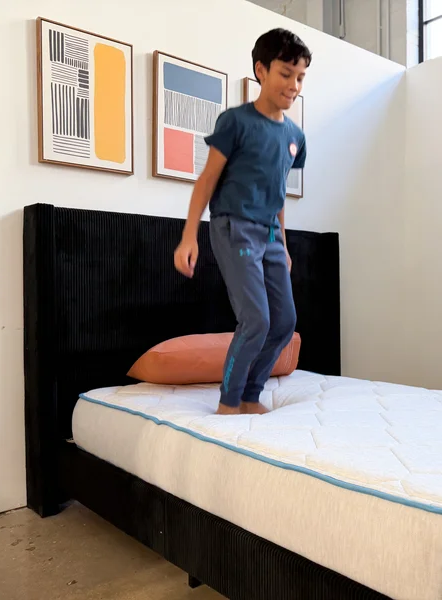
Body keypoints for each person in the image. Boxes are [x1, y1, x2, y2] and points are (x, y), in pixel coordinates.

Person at [173, 29, 311, 416]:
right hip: (233, 227)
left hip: (269, 234)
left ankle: (252, 394)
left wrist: (282, 245)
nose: (293, 85)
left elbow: (279, 193)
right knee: (257, 319)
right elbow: (207, 180)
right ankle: (229, 401)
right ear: (261, 71)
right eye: (286, 74)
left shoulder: (295, 136)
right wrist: (189, 237)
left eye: (300, 77)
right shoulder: (235, 121)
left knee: (284, 322)